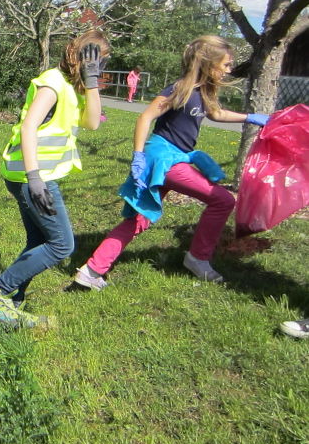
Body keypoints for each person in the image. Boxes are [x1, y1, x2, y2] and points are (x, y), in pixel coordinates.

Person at [75, 36, 270, 291]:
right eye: (226, 64)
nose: (229, 69)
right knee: (223, 200)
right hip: (163, 158)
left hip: (176, 158)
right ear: (208, 63)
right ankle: (197, 259)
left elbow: (217, 113)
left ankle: (91, 270)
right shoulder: (180, 89)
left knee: (140, 219)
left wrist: (251, 117)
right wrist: (138, 156)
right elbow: (145, 117)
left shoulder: (204, 92)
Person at [0, 30, 110, 328]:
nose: (101, 66)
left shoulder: (75, 88)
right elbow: (29, 127)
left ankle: (9, 304)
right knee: (62, 245)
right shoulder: (52, 82)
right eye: (98, 60)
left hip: (37, 174)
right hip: (31, 175)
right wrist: (34, 178)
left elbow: (91, 123)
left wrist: (92, 82)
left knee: (38, 241)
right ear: (82, 55)